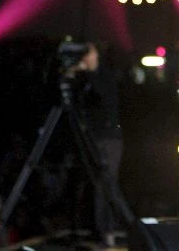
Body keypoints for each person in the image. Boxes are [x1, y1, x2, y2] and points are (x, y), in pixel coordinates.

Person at [68, 42, 124, 248]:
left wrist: (88, 73)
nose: (84, 57)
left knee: (106, 185)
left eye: (87, 53)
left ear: (95, 54)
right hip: (92, 139)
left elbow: (103, 98)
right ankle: (101, 231)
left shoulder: (105, 76)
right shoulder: (84, 79)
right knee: (96, 185)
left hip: (109, 139)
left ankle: (110, 232)